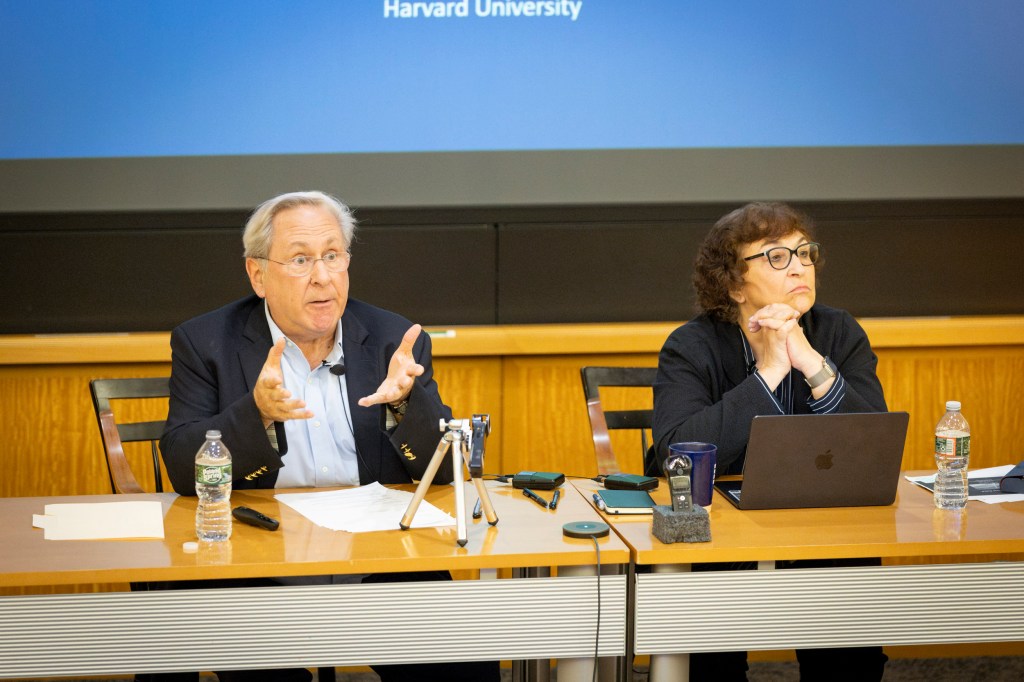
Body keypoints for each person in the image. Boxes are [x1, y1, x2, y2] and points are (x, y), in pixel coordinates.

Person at [157, 190, 498, 682]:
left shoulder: (391, 339)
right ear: (258, 275)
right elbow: (183, 469)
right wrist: (255, 416)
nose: (322, 276)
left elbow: (444, 471)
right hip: (255, 567)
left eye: (333, 256)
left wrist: (406, 404)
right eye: (300, 259)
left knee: (464, 668)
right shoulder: (207, 341)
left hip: (382, 562)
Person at [652, 202, 888, 682]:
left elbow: (874, 444)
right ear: (734, 285)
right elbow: (676, 456)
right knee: (710, 658)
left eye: (805, 253)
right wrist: (769, 373)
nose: (800, 266)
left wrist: (810, 362)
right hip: (718, 537)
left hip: (823, 529)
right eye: (776, 257)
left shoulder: (838, 331)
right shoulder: (691, 346)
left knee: (849, 651)